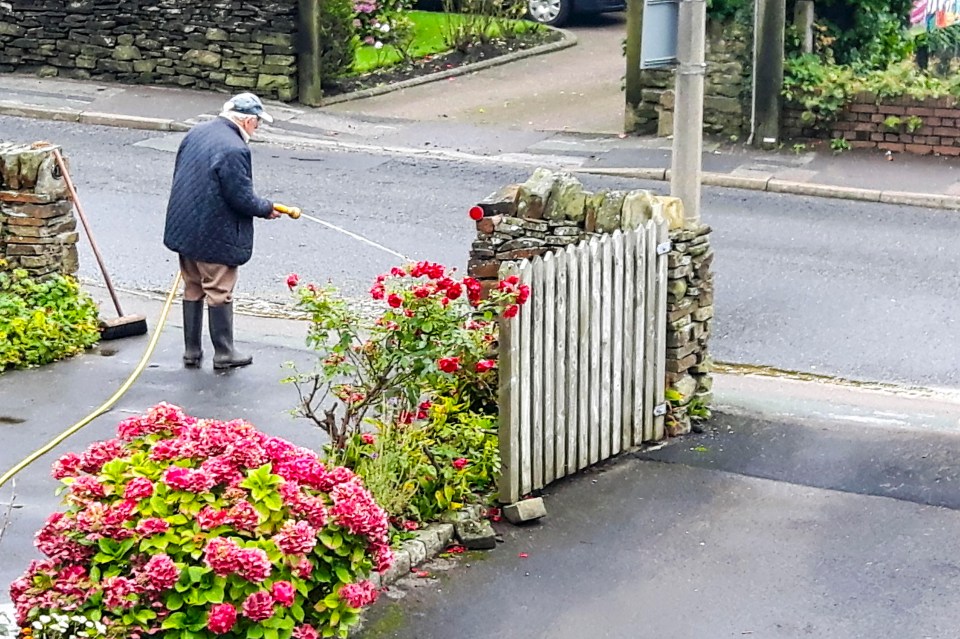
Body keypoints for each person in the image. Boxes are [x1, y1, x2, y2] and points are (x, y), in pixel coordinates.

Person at [163, 92, 280, 370]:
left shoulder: (197, 132)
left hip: (185, 227)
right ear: (249, 120)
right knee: (218, 290)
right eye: (258, 123)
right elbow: (241, 197)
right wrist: (267, 208)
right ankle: (224, 353)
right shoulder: (235, 148)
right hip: (214, 232)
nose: (257, 128)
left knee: (192, 285)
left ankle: (191, 351)